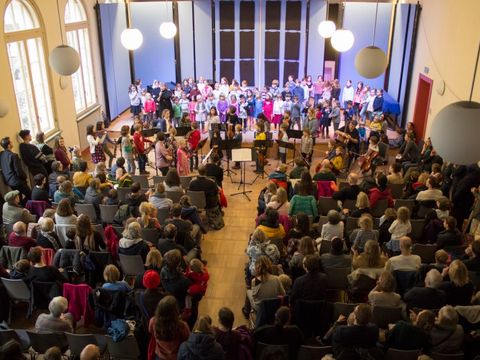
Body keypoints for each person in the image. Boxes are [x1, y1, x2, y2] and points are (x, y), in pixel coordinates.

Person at [149, 295, 190, 360]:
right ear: (175, 310)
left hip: (159, 356)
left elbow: (151, 332)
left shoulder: (153, 321)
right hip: (177, 356)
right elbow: (187, 340)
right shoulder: (182, 325)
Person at [0, 137, 31, 201]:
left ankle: (24, 207)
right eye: (11, 142)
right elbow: (18, 171)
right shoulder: (14, 156)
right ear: (9, 145)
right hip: (17, 181)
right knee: (30, 195)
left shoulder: (1, 155)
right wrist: (25, 177)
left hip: (9, 181)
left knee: (19, 198)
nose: (12, 143)